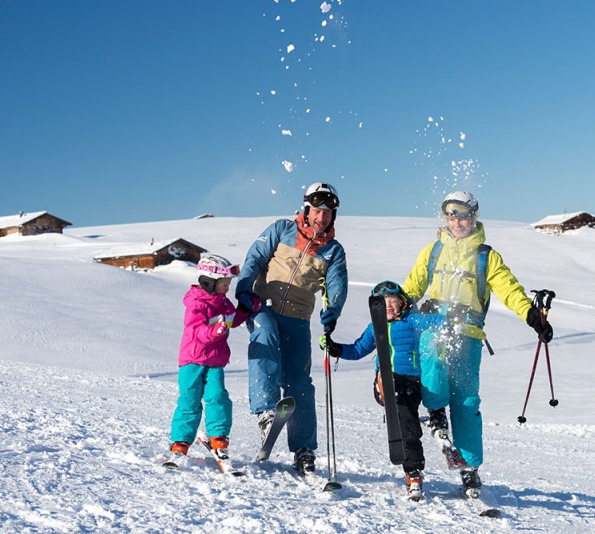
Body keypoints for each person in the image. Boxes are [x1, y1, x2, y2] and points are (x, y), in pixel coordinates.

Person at [402, 191, 554, 497]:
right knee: (431, 356)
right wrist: (393, 302)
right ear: (445, 218)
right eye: (451, 216)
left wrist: (531, 314)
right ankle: (435, 413)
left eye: (463, 216)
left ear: (474, 217)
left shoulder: (486, 257)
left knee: (467, 400)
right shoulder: (432, 252)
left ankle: (469, 469)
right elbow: (412, 288)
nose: (457, 222)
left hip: (469, 334)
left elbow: (509, 288)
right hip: (434, 326)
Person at [235, 182, 348, 474]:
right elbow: (255, 258)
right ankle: (265, 413)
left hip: (298, 316)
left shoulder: (333, 251)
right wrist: (244, 289)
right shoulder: (281, 229)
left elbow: (337, 285)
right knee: (266, 337)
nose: (322, 217)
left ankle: (304, 450)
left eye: (328, 212)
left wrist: (332, 309)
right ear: (306, 209)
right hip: (262, 305)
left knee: (299, 381)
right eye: (317, 210)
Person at [322, 281, 451, 501]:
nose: (388, 307)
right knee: (390, 382)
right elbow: (358, 349)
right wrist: (336, 349)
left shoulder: (413, 320)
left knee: (407, 425)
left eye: (393, 302)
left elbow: (440, 323)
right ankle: (388, 388)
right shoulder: (375, 326)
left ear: (402, 303)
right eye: (383, 304)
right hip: (386, 381)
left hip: (412, 382)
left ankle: (413, 474)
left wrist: (446, 324)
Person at [164, 253, 260, 469]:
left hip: (215, 361)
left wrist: (246, 308)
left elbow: (232, 321)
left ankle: (218, 437)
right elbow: (196, 330)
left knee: (218, 397)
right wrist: (213, 332)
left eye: (228, 284)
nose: (227, 288)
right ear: (208, 282)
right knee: (189, 400)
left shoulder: (224, 303)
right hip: (192, 361)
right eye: (224, 284)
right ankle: (180, 442)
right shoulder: (196, 304)